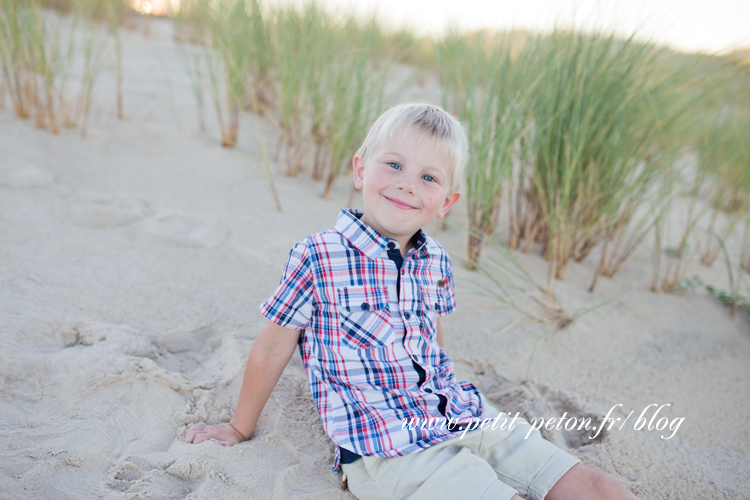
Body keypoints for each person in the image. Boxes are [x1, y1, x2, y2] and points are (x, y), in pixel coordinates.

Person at [185, 103, 637, 500]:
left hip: (457, 412)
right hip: (386, 443)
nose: (407, 185)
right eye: (394, 165)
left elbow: (431, 338)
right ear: (360, 169)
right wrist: (239, 426)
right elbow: (272, 346)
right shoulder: (319, 255)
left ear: (446, 201)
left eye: (428, 177)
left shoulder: (435, 259)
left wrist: (450, 394)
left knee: (603, 490)